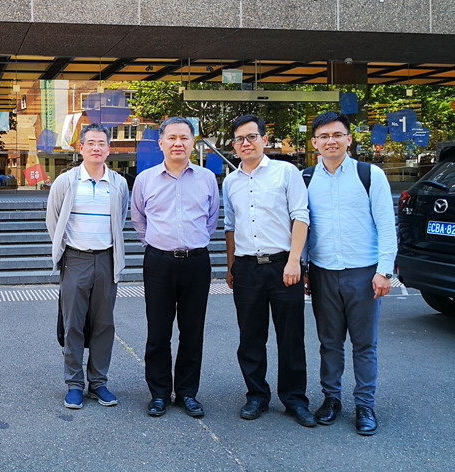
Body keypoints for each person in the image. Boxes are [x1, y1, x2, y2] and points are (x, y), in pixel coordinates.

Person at [305, 111, 396, 435]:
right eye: (324, 136)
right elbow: (302, 227)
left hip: (364, 273)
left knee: (364, 343)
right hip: (323, 272)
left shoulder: (370, 175)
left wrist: (384, 271)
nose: (331, 141)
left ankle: (365, 405)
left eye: (337, 135)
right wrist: (303, 266)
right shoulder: (305, 179)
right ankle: (331, 399)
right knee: (329, 343)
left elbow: (386, 225)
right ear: (314, 142)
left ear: (349, 139)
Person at [222, 114, 315, 427]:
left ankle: (294, 399)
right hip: (247, 268)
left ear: (264, 139)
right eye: (239, 139)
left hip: (283, 265)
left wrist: (295, 260)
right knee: (250, 337)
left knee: (291, 337)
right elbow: (230, 226)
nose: (246, 143)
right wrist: (231, 265)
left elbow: (300, 216)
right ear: (234, 145)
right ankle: (256, 395)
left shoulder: (286, 172)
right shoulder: (231, 181)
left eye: (251, 137)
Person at [131, 116, 219, 418]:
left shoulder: (207, 178)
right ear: (161, 143)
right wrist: (156, 244)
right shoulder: (145, 179)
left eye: (184, 137)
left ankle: (187, 392)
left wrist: (193, 242)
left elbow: (211, 219)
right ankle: (159, 393)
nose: (178, 143)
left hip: (196, 262)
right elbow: (138, 219)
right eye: (172, 137)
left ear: (193, 142)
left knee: (192, 331)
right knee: (158, 331)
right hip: (159, 262)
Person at [46, 123, 130, 410]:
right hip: (76, 259)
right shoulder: (66, 182)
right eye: (91, 143)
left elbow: (120, 218)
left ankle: (98, 382)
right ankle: (74, 383)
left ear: (109, 149)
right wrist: (65, 250)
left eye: (102, 143)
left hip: (106, 259)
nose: (96, 148)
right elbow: (54, 220)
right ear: (80, 148)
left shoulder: (118, 184)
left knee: (104, 324)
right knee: (73, 324)